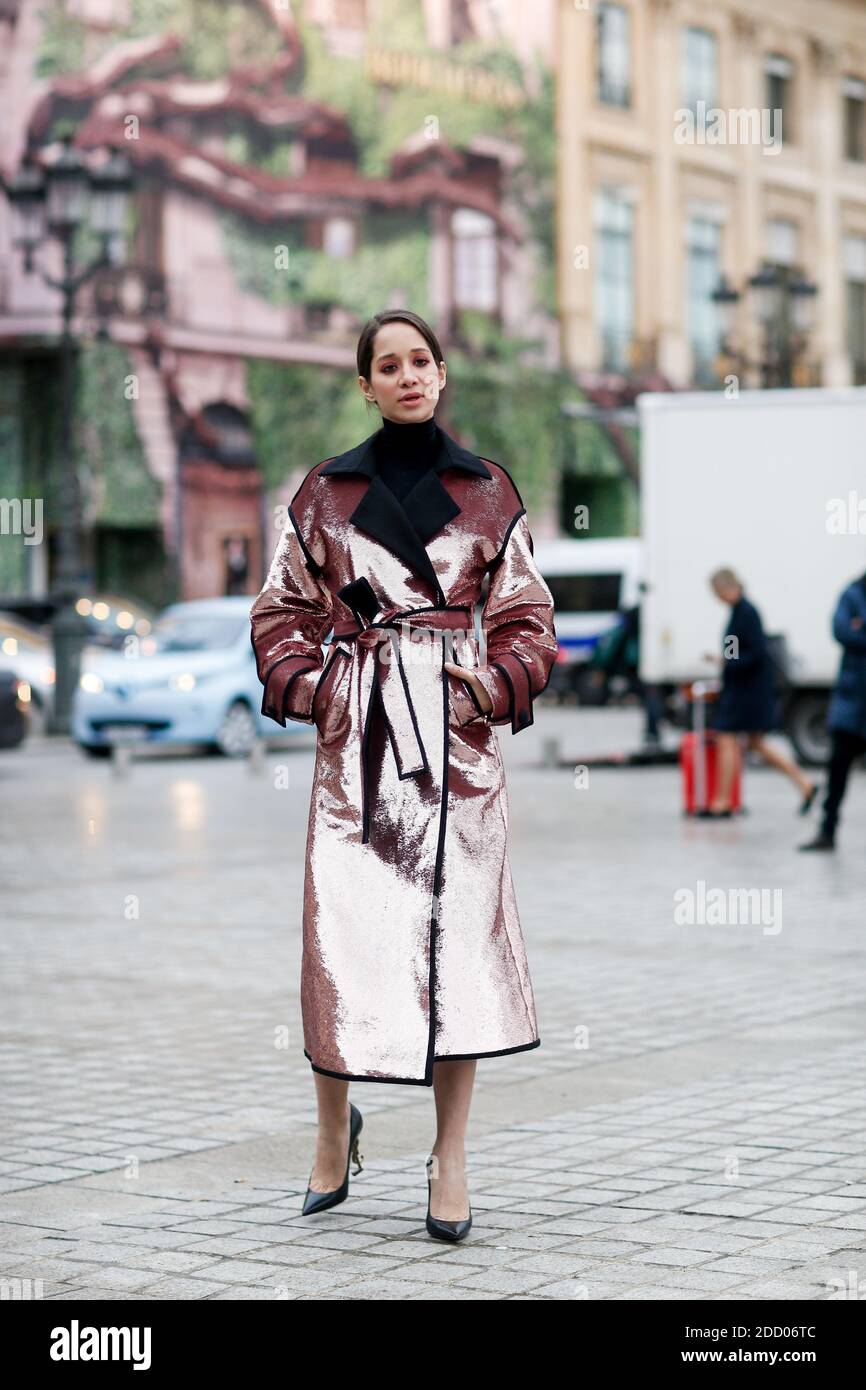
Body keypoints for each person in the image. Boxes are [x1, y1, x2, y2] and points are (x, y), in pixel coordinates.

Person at [249, 310, 557, 1242]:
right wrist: (323, 683)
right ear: (366, 385)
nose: (410, 375)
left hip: (457, 745)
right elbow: (279, 612)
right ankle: (331, 1129)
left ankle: (449, 1155)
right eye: (389, 364)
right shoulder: (323, 496)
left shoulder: (490, 491)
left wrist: (491, 681)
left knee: (460, 950)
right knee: (338, 941)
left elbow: (529, 620)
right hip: (360, 744)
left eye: (422, 359)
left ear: (443, 373)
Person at [702, 568, 816, 818]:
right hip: (744, 687)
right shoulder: (738, 613)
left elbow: (754, 653)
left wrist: (728, 662)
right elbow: (735, 649)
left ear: (728, 588)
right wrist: (725, 660)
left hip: (746, 691)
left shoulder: (746, 613)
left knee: (727, 738)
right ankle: (804, 783)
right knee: (755, 744)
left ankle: (722, 802)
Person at [800, 569, 866, 851]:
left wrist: (861, 626)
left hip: (853, 695)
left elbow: (852, 633)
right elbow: (841, 631)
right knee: (837, 769)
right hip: (852, 700)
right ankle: (827, 829)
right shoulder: (852, 593)